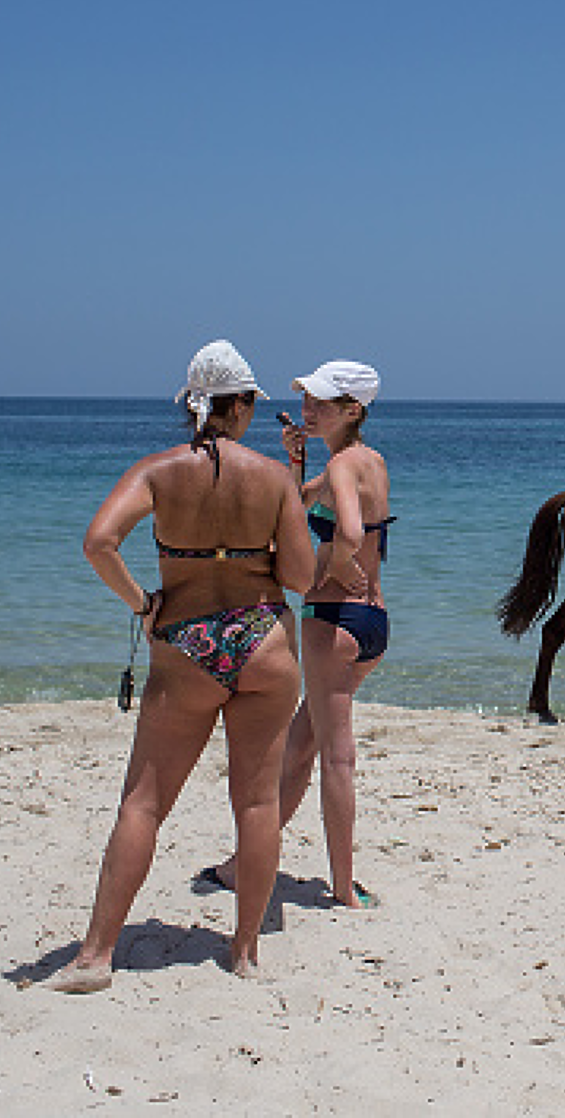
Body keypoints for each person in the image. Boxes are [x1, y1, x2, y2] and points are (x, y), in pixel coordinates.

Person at [50, 340, 312, 992]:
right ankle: (245, 950)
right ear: (243, 404)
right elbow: (302, 576)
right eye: (252, 402)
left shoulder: (159, 469)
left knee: (143, 803)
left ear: (194, 404)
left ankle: (94, 957)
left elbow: (98, 543)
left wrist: (144, 602)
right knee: (255, 802)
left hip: (187, 641)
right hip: (262, 638)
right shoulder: (274, 477)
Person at [205, 361, 389, 910]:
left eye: (321, 404)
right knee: (300, 747)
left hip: (334, 621)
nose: (309, 410)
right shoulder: (366, 461)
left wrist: (330, 561)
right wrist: (294, 460)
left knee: (336, 757)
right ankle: (245, 864)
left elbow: (351, 529)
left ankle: (341, 889)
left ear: (351, 410)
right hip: (373, 624)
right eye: (306, 400)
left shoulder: (342, 467)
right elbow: (297, 503)